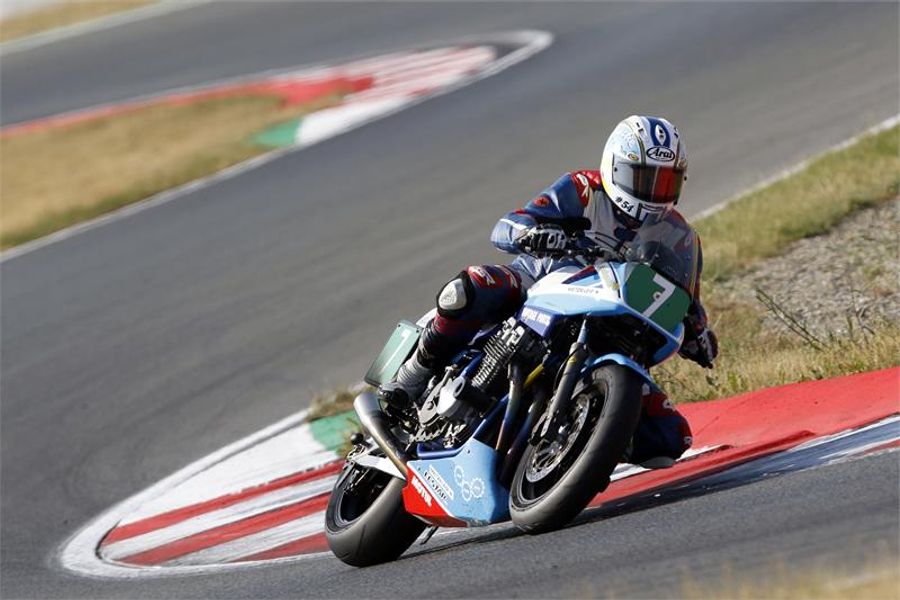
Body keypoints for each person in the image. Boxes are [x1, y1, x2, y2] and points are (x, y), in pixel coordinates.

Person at [384, 115, 717, 467]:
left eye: (665, 181)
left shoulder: (678, 235)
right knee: (471, 286)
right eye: (644, 178)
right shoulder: (584, 189)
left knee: (671, 437)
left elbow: (687, 298)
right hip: (539, 284)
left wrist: (699, 333)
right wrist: (530, 234)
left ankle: (585, 442)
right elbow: (510, 224)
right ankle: (414, 375)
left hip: (614, 325)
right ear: (615, 167)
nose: (654, 191)